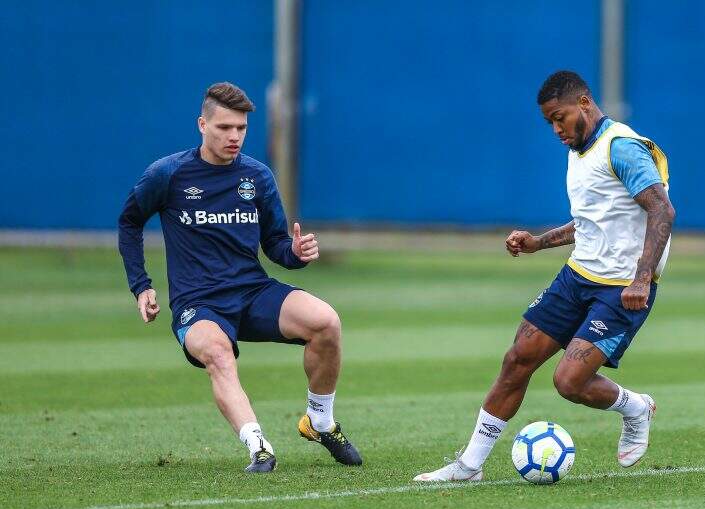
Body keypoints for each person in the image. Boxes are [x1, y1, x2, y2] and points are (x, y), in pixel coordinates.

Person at [414, 71, 675, 482]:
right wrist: (538, 243)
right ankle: (469, 465)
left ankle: (636, 407)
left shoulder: (621, 148)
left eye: (560, 118)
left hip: (622, 288)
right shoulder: (578, 149)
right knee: (517, 359)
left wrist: (642, 278)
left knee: (569, 382)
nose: (556, 129)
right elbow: (590, 222)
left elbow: (662, 210)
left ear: (584, 103)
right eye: (549, 122)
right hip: (577, 277)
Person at [118, 82, 362, 473]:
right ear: (202, 124)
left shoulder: (257, 177)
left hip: (252, 292)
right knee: (217, 353)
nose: (234, 136)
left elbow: (276, 245)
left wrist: (296, 255)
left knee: (327, 322)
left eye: (242, 128)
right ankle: (258, 445)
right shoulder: (168, 174)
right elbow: (129, 222)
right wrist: (141, 285)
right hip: (198, 304)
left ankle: (319, 421)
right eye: (224, 127)